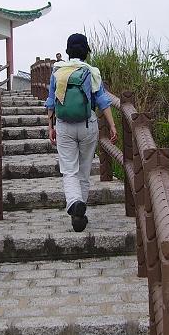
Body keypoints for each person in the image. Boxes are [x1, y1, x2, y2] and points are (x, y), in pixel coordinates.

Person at [46, 33, 118, 232]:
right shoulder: (91, 71)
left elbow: (51, 101)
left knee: (69, 170)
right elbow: (102, 100)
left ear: (68, 52)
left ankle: (74, 202)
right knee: (84, 172)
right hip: (88, 125)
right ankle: (79, 214)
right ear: (86, 51)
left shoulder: (57, 70)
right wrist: (112, 125)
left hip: (64, 125)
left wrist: (50, 126)